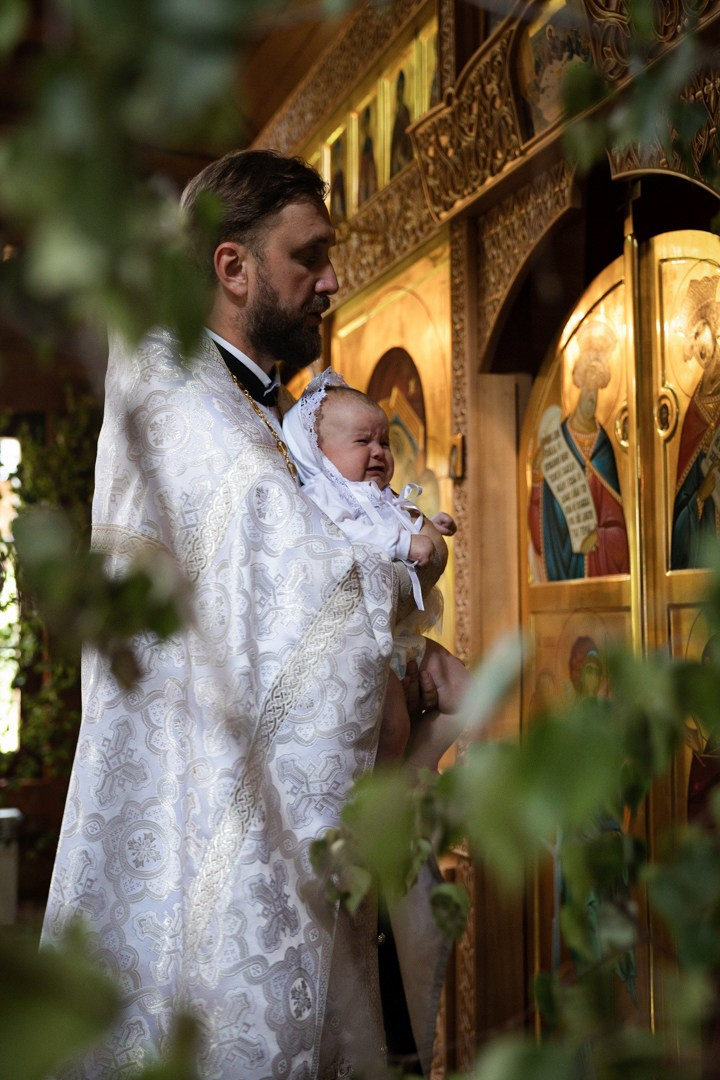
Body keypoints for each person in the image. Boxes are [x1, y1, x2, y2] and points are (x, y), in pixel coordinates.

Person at [41, 150, 449, 1079]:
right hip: (202, 812)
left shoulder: (249, 404)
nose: (332, 282)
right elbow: (295, 573)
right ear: (232, 268)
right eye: (308, 257)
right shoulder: (182, 394)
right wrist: (404, 565)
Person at [283, 372, 468, 770]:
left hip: (401, 635)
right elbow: (345, 535)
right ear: (319, 452)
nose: (380, 452)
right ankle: (380, 803)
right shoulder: (321, 496)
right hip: (363, 648)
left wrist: (428, 522)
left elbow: (396, 519)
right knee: (392, 727)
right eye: (362, 441)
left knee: (464, 688)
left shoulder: (381, 495)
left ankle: (416, 771)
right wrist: (405, 544)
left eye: (383, 441)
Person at [529, 321, 630, 581]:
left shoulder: (604, 447)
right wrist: (539, 478)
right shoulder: (557, 445)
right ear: (576, 388)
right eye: (586, 387)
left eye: (596, 389)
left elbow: (620, 526)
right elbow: (541, 530)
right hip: (565, 572)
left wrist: (600, 537)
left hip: (602, 574)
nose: (590, 397)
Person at [672, 276, 720, 569]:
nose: (706, 358)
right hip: (705, 550)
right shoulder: (694, 413)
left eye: (708, 344)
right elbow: (680, 504)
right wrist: (700, 498)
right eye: (699, 353)